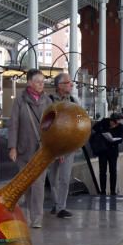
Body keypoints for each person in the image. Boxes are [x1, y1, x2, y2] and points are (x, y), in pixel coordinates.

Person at [7, 69, 50, 227]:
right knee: (27, 184)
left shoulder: (47, 101)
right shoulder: (20, 100)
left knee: (38, 184)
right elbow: (13, 124)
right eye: (38, 81)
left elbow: (55, 126)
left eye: (43, 82)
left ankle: (37, 218)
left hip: (42, 150)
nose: (41, 85)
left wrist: (57, 149)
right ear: (30, 82)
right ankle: (30, 213)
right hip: (24, 149)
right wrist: (12, 147)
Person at [46, 73, 80, 217]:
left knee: (65, 178)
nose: (71, 85)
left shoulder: (74, 101)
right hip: (52, 146)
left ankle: (61, 207)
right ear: (59, 86)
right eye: (68, 83)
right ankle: (56, 203)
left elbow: (78, 123)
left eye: (71, 83)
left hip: (68, 146)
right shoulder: (49, 101)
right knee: (52, 178)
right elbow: (47, 125)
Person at [91, 112, 123, 195]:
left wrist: (112, 139)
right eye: (113, 122)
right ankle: (103, 191)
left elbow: (120, 139)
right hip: (102, 150)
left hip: (113, 151)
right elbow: (94, 128)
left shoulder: (120, 127)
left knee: (113, 171)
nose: (114, 124)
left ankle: (112, 191)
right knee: (102, 171)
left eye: (116, 122)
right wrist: (104, 129)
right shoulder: (104, 122)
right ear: (110, 120)